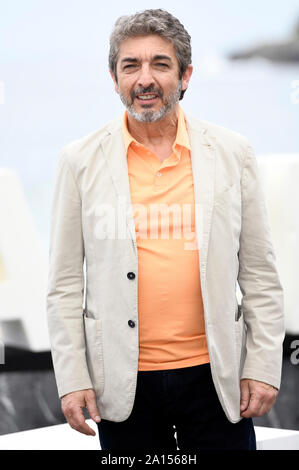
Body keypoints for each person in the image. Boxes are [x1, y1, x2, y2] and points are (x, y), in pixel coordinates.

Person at [47, 9, 285, 451]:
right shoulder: (78, 161)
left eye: (160, 63)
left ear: (185, 75)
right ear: (114, 77)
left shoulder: (234, 152)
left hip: (218, 380)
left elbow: (259, 274)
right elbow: (63, 285)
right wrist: (72, 378)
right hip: (121, 383)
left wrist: (263, 366)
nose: (145, 79)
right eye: (130, 65)